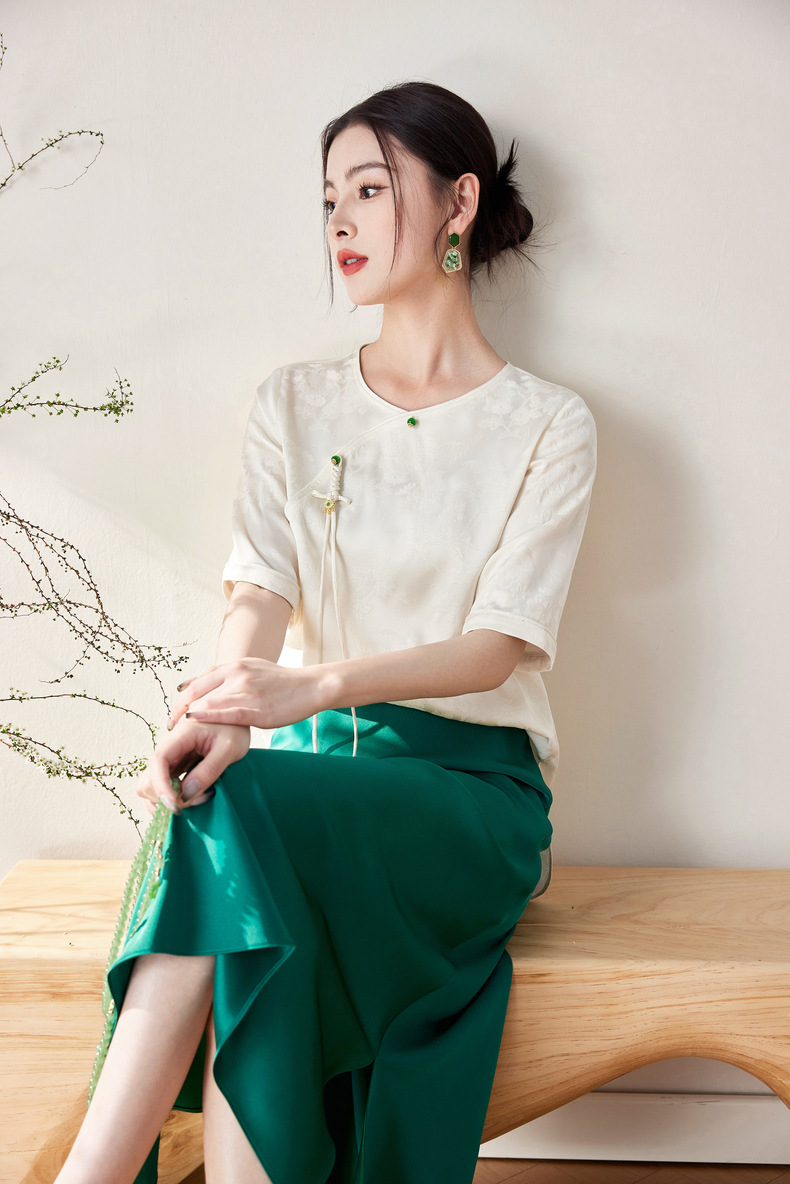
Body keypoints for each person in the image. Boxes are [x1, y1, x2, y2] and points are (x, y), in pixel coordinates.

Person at [56, 80, 597, 1184]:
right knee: (226, 805)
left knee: (240, 822)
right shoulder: (293, 403)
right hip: (308, 790)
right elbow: (258, 589)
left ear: (458, 202)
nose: (340, 220)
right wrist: (223, 705)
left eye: (369, 188)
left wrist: (307, 689)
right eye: (328, 199)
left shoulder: (546, 422)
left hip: (468, 797)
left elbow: (495, 649)